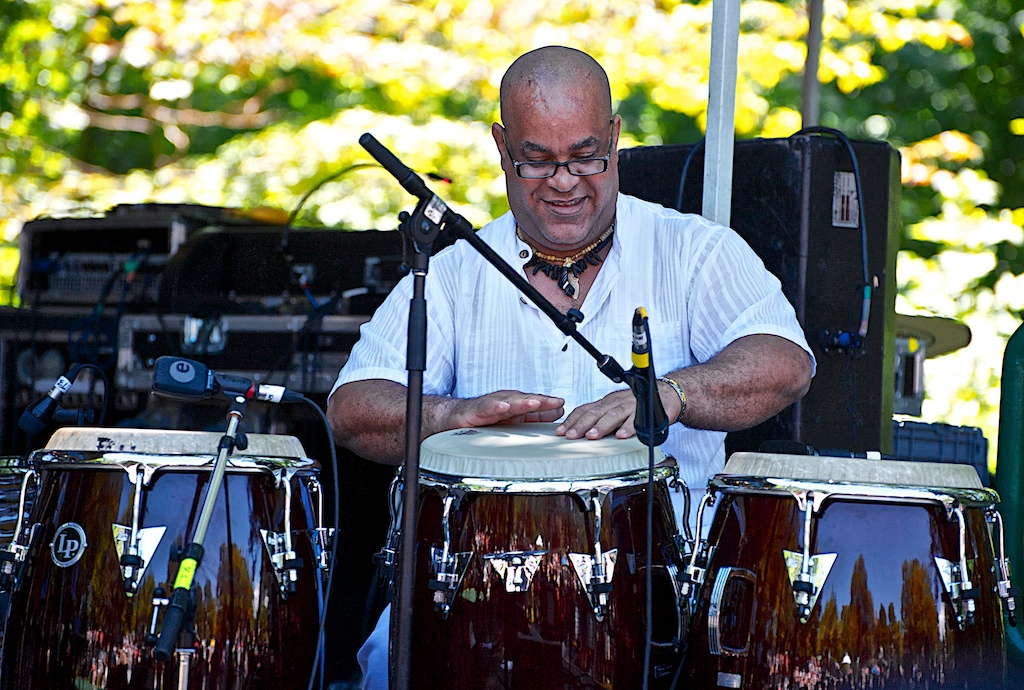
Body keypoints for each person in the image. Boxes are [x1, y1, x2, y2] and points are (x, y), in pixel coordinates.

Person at [327, 45, 814, 688]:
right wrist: (447, 415)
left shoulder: (694, 251)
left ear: (615, 136)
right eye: (538, 160)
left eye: (586, 155)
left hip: (664, 598)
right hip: (473, 594)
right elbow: (351, 409)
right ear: (502, 146)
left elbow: (785, 361)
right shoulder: (450, 273)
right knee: (394, 658)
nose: (564, 180)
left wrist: (670, 393)